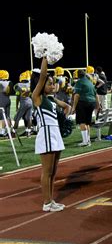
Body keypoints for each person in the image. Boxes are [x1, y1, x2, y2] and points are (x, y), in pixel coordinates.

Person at [31, 58, 71, 212]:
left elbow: (67, 107)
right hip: (46, 133)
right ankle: (46, 202)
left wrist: (64, 118)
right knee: (47, 171)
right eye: (50, 83)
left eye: (53, 83)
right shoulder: (37, 97)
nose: (53, 85)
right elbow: (42, 76)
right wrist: (46, 57)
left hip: (55, 133)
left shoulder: (51, 99)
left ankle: (51, 200)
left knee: (53, 171)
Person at [72, 69, 99, 146]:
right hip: (92, 103)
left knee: (82, 121)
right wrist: (98, 104)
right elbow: (96, 94)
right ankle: (88, 140)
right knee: (87, 122)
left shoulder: (79, 82)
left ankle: (85, 141)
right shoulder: (89, 82)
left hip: (83, 102)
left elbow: (77, 95)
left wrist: (74, 107)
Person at [13, 71, 33, 136]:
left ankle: (13, 132)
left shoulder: (18, 85)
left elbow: (18, 97)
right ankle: (28, 131)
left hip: (23, 103)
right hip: (30, 102)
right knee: (29, 117)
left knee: (17, 118)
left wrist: (16, 106)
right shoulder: (30, 84)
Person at [0, 70, 13, 137]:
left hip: (2, 100)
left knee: (2, 116)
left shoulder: (0, 83)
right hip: (8, 99)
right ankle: (9, 130)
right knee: (8, 116)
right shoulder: (9, 82)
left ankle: (3, 131)